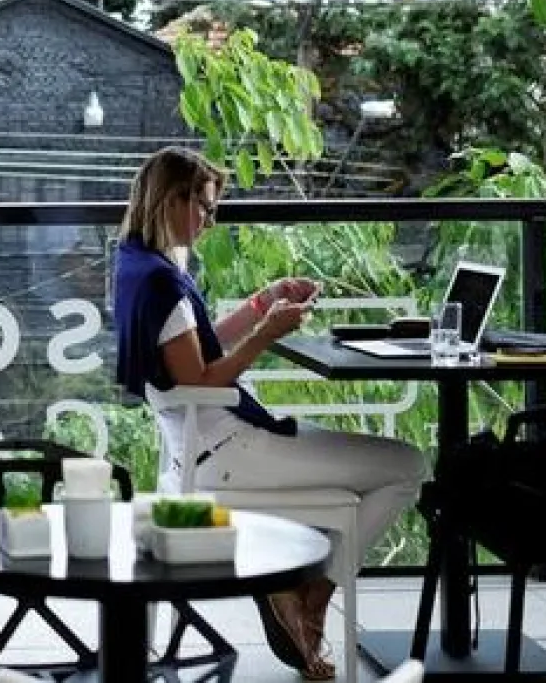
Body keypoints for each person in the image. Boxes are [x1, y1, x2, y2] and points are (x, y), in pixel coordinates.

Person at [113, 146, 427, 681]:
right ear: (171, 199)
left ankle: (300, 589)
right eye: (205, 208)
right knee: (409, 466)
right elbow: (203, 380)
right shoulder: (162, 280)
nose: (210, 221)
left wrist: (262, 303)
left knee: (380, 468)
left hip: (199, 448)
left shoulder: (139, 264)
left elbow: (199, 348)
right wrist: (267, 333)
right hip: (230, 451)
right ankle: (313, 593)